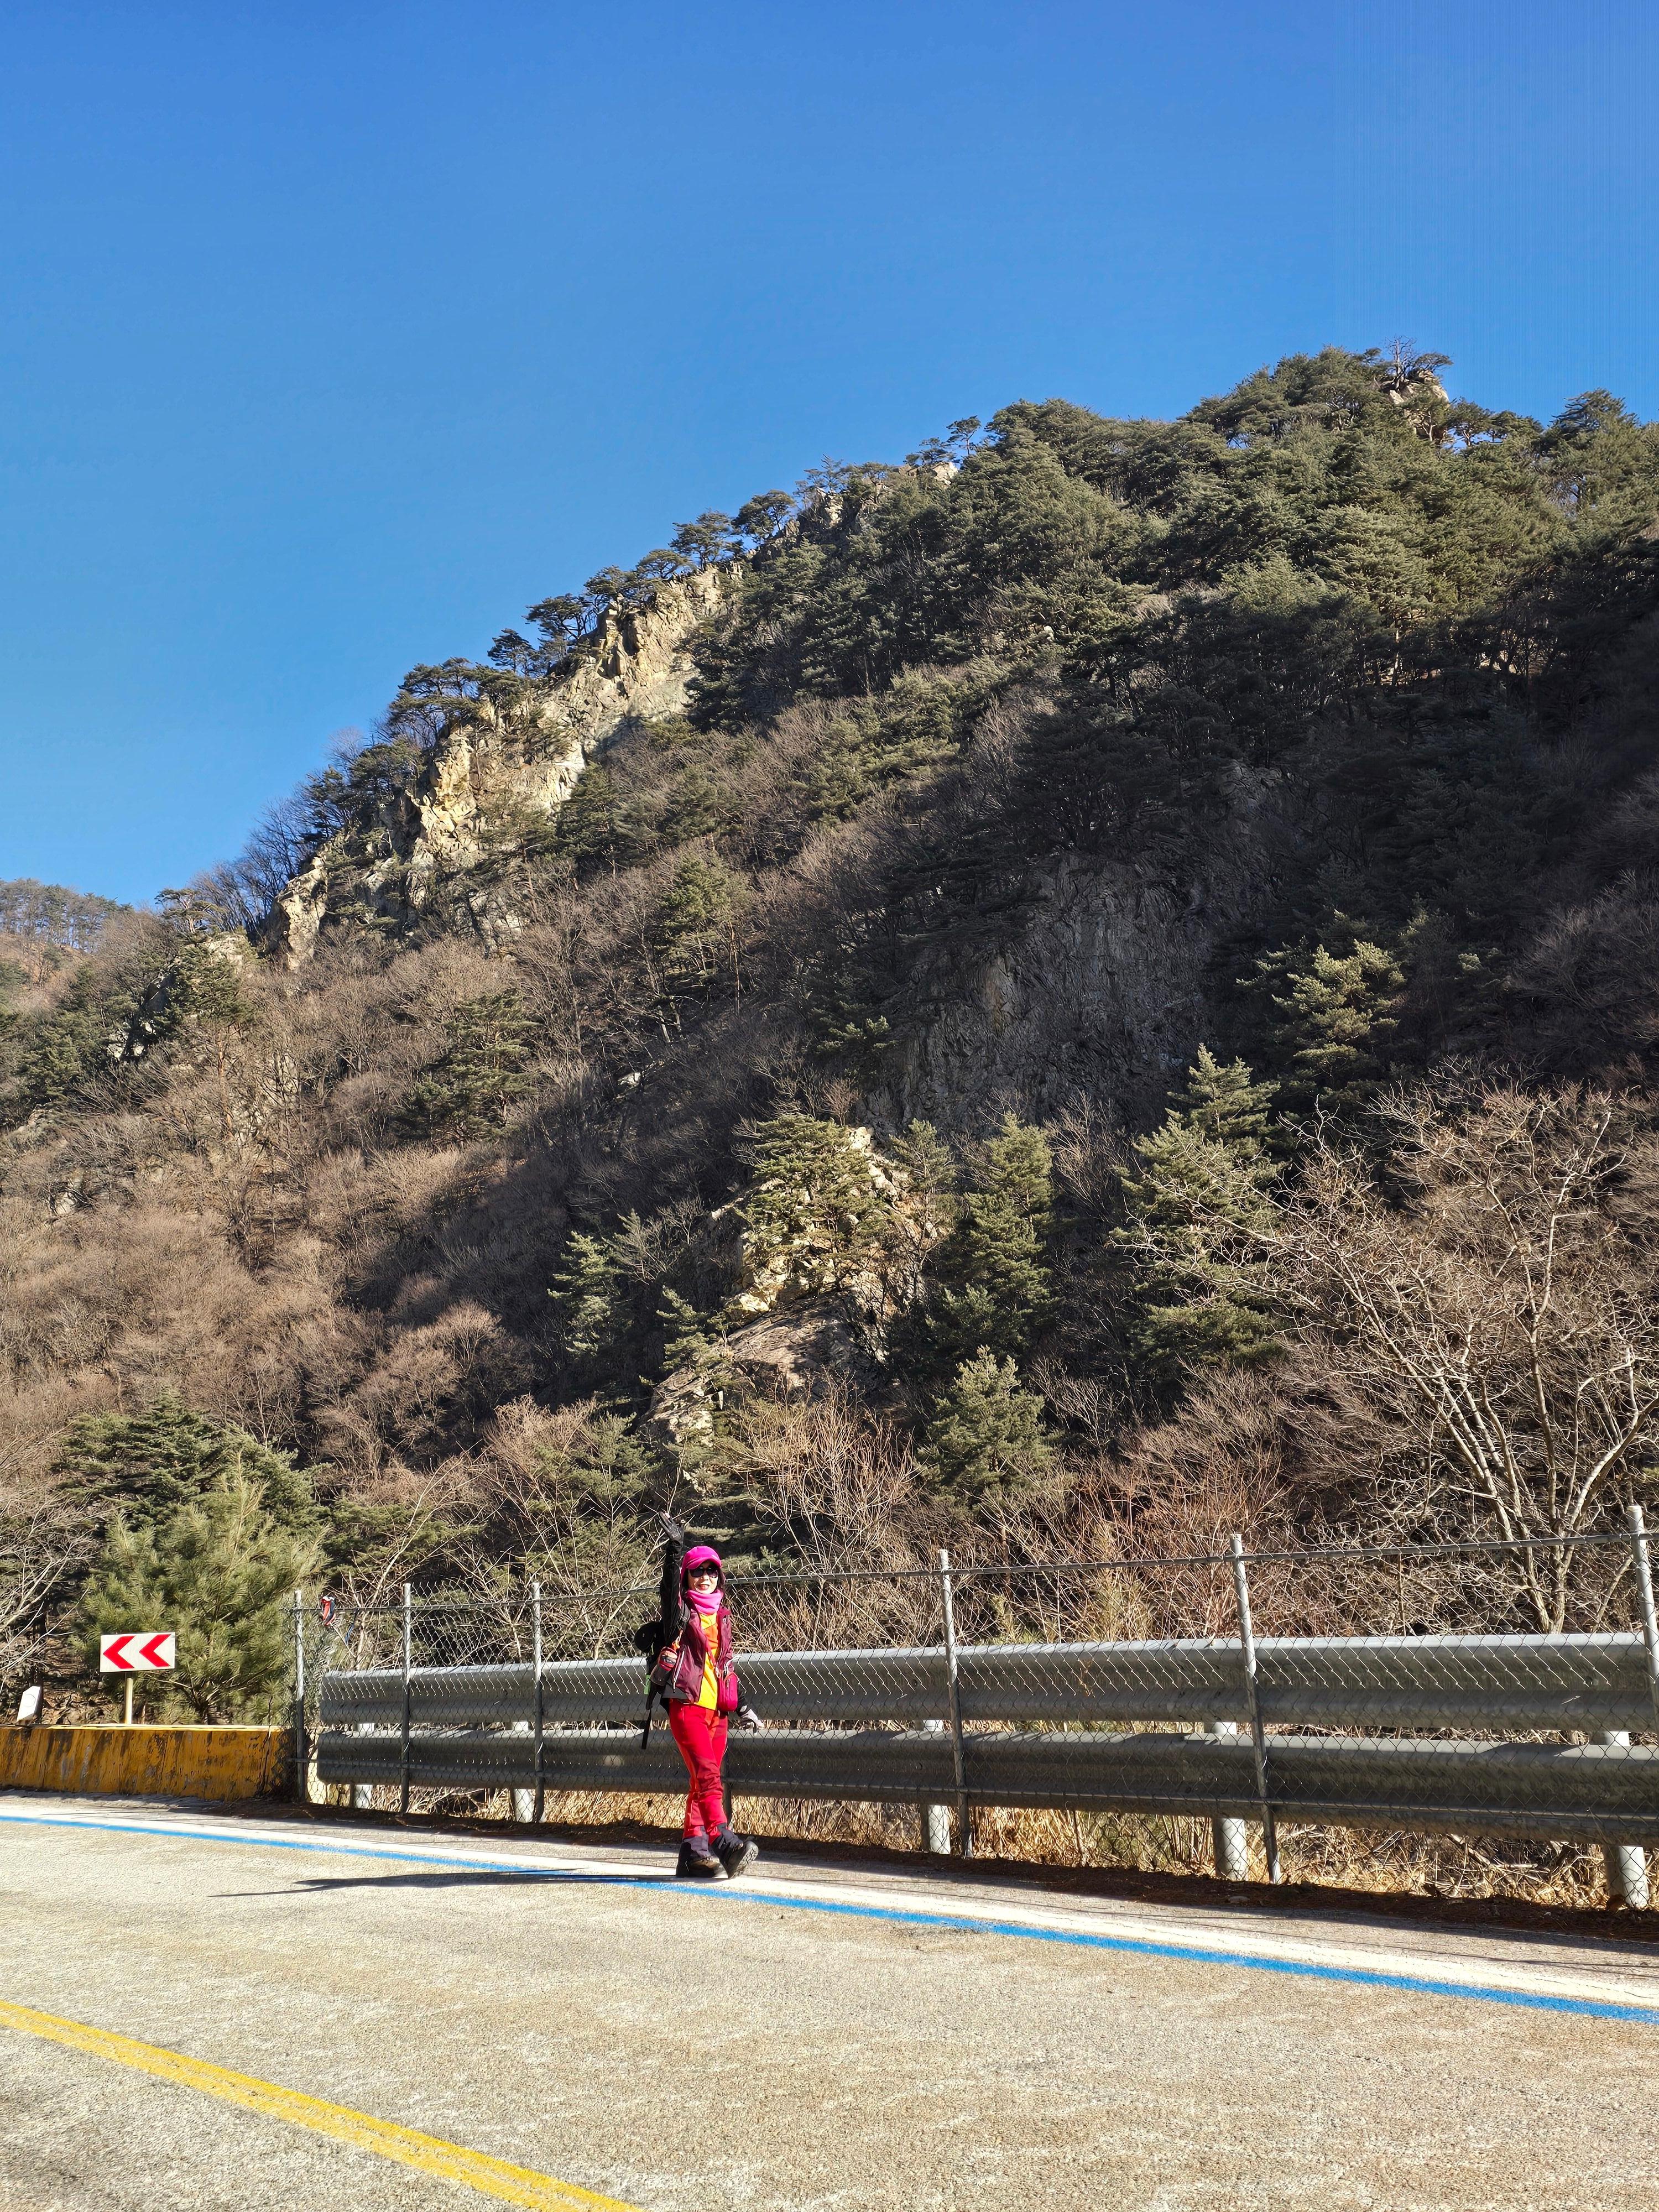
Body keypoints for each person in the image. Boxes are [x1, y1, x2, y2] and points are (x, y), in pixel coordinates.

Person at [649, 1527, 761, 1880]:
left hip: (718, 1710)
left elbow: (723, 1665)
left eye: (712, 1571)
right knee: (709, 1775)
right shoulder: (679, 1614)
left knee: (702, 1780)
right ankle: (722, 1840)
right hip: (687, 1705)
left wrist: (742, 1705)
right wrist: (674, 1550)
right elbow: (668, 1589)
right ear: (687, 1576)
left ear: (719, 1577)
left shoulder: (722, 1617)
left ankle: (692, 1854)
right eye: (697, 1571)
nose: (705, 1577)